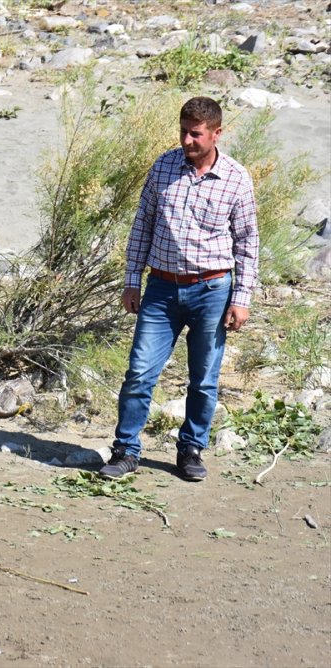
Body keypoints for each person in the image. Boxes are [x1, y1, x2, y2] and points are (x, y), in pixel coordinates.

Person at [100, 96, 259, 482]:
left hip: (212, 290)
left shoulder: (236, 178)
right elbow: (143, 225)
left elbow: (248, 242)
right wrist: (131, 280)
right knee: (139, 372)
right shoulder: (163, 166)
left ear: (217, 134)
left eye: (196, 134)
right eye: (183, 131)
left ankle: (190, 449)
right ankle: (126, 450)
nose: (187, 140)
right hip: (161, 290)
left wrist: (241, 298)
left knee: (203, 378)